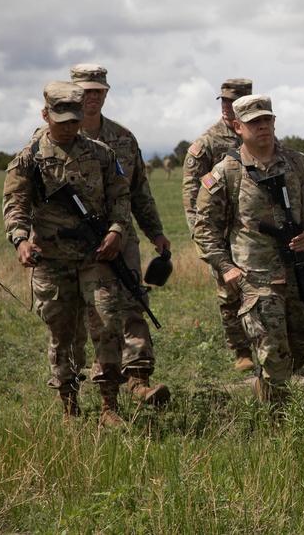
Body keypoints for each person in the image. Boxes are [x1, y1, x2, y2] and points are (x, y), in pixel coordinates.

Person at [2, 82, 131, 426]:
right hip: (52, 259)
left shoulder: (102, 154)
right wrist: (21, 240)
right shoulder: (28, 159)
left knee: (107, 324)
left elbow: (121, 196)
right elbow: (16, 205)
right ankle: (69, 407)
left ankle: (109, 407)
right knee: (63, 333)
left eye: (74, 120)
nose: (70, 127)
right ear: (45, 115)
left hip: (96, 256)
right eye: (61, 121)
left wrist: (118, 229)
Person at [193, 95, 304, 407]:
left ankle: (268, 391)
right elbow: (205, 228)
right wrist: (225, 267)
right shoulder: (225, 173)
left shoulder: (300, 164)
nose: (262, 126)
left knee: (298, 350)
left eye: (267, 120)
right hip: (254, 277)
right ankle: (278, 424)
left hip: (297, 270)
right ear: (237, 127)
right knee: (273, 354)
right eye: (254, 122)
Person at [71, 63, 172, 407]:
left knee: (133, 301)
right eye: (86, 90)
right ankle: (84, 394)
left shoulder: (124, 139)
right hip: (75, 244)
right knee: (89, 317)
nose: (93, 96)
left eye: (99, 90)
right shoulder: (58, 137)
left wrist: (155, 233)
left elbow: (139, 191)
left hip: (122, 238)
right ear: (73, 93)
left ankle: (140, 382)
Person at [182, 78, 255, 371]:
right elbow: (191, 191)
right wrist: (200, 234)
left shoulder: (259, 134)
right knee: (229, 291)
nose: (226, 106)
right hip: (221, 229)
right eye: (223, 101)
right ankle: (241, 350)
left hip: (254, 228)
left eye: (232, 101)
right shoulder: (208, 142)